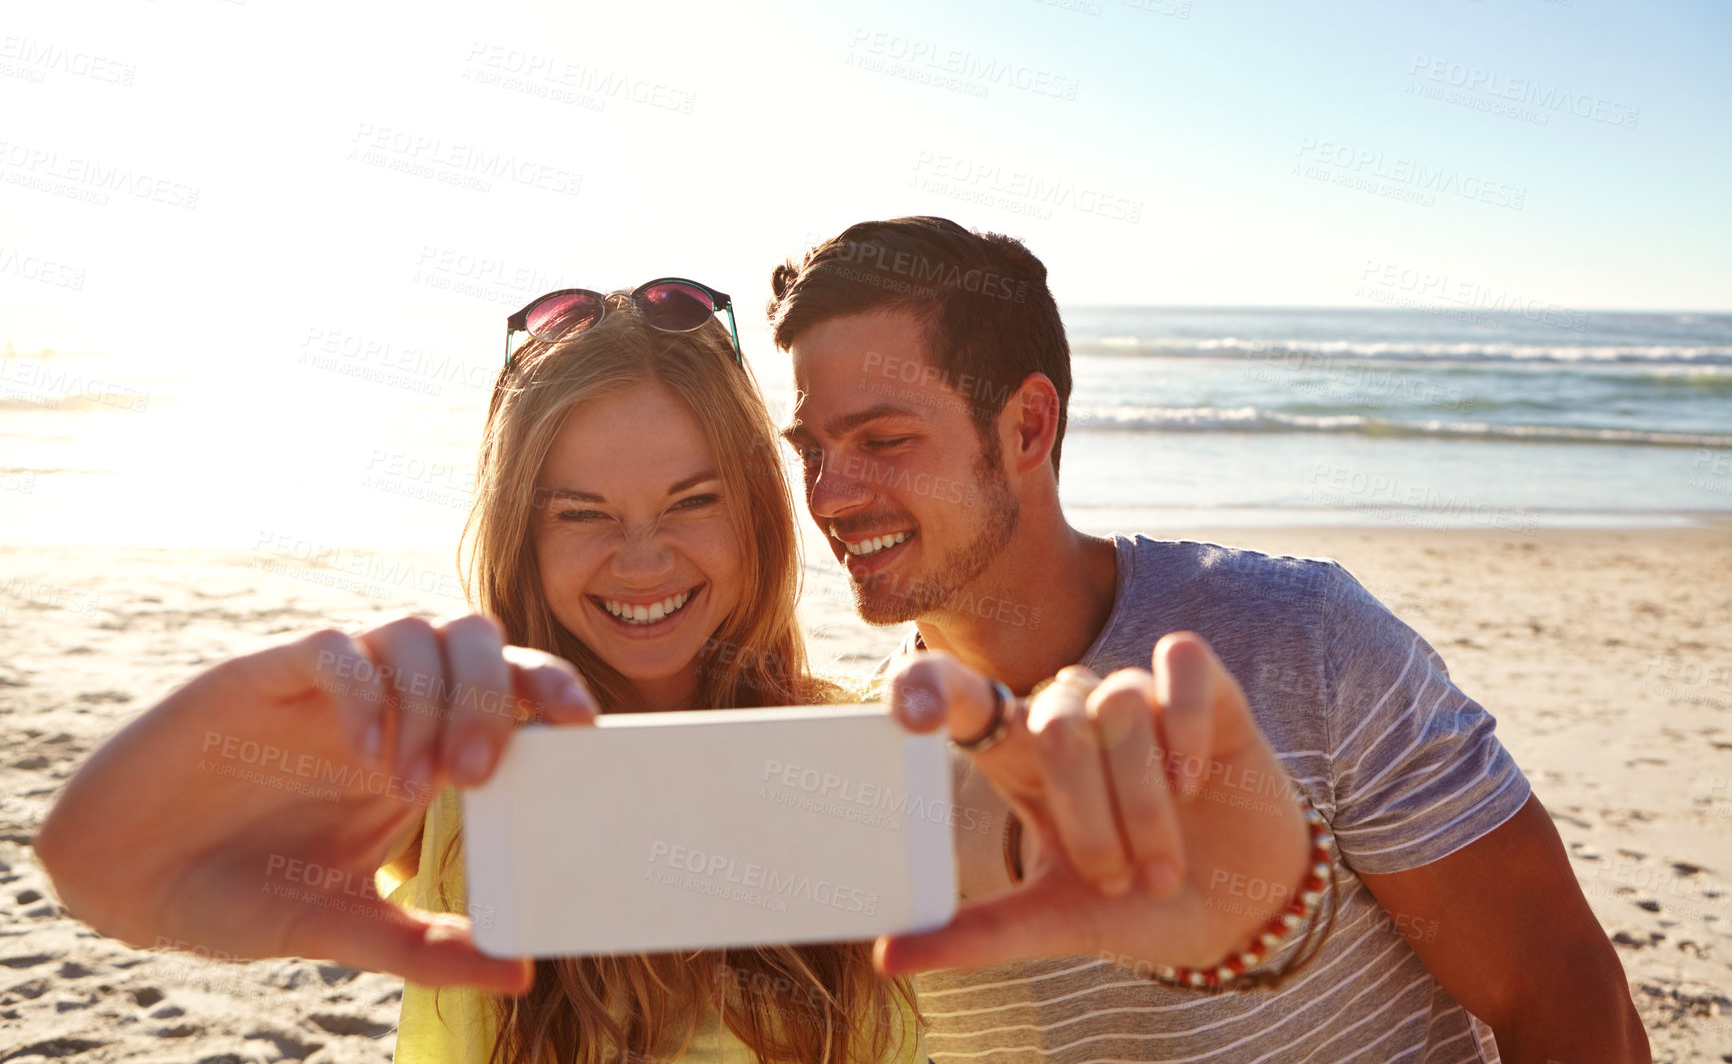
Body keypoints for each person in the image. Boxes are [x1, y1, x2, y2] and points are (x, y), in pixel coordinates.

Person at [768, 216, 1651, 1063]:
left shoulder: (1303, 638)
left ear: (1028, 427)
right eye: (810, 449)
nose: (830, 495)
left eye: (883, 439)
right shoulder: (866, 756)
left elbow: (1566, 995)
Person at [38, 280, 924, 1064]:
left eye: (693, 501)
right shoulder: (465, 763)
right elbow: (104, 874)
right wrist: (236, 710)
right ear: (521, 538)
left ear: (760, 514)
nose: (643, 561)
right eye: (582, 514)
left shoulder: (857, 758)